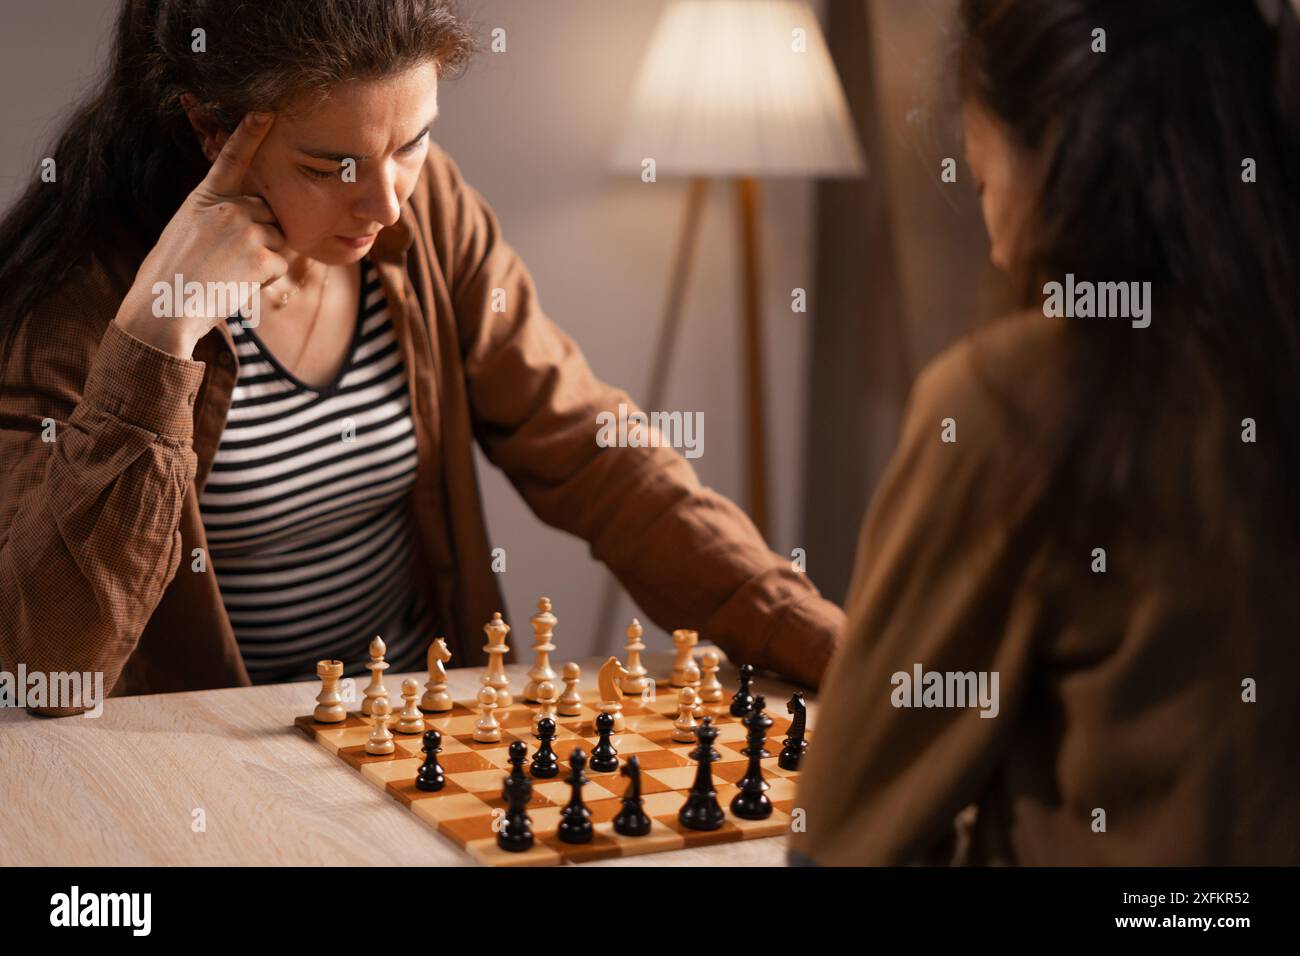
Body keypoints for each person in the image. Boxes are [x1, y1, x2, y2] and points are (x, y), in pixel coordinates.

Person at [0, 0, 844, 715]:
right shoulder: (78, 299)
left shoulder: (428, 212)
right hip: (212, 778)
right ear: (210, 127)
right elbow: (44, 665)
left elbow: (600, 458)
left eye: (412, 143)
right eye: (334, 165)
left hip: (405, 734)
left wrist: (827, 643)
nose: (388, 206)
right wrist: (157, 334)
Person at [791, 0, 1300, 865]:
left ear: (1056, 164)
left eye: (985, 184)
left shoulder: (1010, 402)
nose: (994, 250)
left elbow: (841, 837)